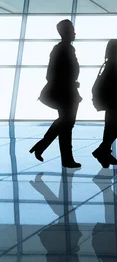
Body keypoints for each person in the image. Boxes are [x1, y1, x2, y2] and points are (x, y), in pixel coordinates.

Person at [30, 19, 82, 168]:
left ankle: (46, 148)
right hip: (65, 92)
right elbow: (52, 73)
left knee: (66, 123)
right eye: (72, 30)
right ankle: (63, 157)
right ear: (65, 32)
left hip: (68, 90)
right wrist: (69, 82)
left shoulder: (66, 49)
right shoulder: (62, 50)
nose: (74, 33)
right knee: (66, 124)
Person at [92, 39, 117, 169]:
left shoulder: (109, 64)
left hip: (111, 102)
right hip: (114, 102)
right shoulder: (113, 65)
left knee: (110, 128)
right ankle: (101, 151)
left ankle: (105, 153)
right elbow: (114, 83)